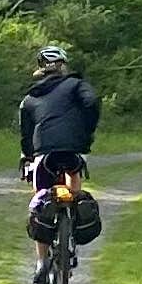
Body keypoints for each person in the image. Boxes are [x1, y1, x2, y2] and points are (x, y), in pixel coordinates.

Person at [18, 41, 101, 265]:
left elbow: (26, 135)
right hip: (74, 149)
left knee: (42, 197)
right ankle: (71, 226)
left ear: (40, 69)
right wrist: (87, 130)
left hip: (43, 153)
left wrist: (27, 157)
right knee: (74, 182)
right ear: (63, 66)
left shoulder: (30, 98)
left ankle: (41, 262)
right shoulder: (76, 85)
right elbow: (92, 102)